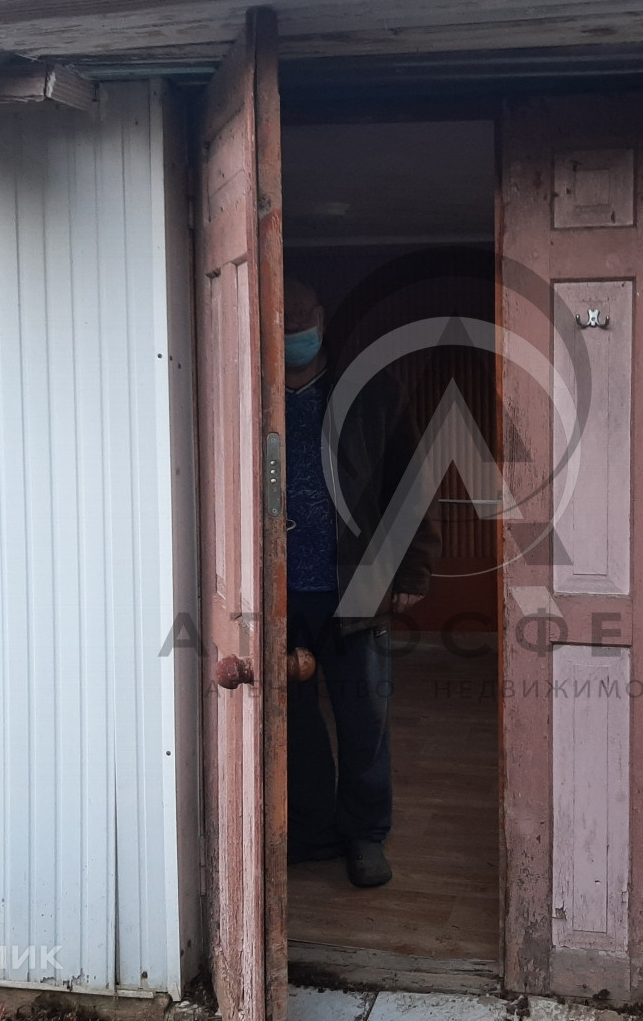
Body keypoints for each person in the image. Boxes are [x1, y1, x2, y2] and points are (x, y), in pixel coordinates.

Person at [282, 279, 438, 889]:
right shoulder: (249, 391)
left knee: (363, 718)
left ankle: (366, 834)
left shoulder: (371, 392)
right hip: (275, 593)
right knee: (291, 724)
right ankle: (312, 830)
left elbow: (411, 485)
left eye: (300, 319)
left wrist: (413, 568)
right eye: (280, 321)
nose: (291, 332)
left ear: (321, 319)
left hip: (357, 585)